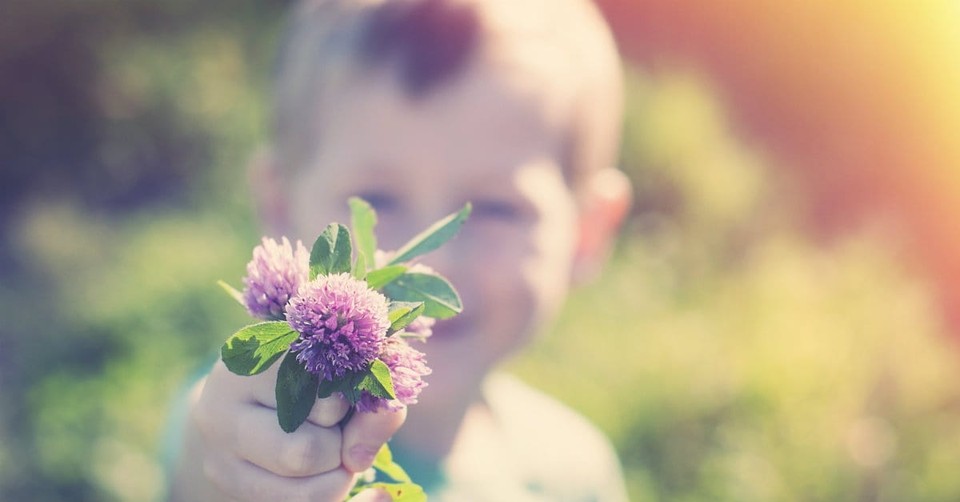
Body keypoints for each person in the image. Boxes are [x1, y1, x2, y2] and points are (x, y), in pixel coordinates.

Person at [168, 0, 632, 499]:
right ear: (279, 206)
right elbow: (213, 460)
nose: (431, 263)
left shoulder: (578, 468)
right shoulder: (238, 425)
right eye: (376, 200)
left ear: (587, 232)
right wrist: (223, 472)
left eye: (496, 208)